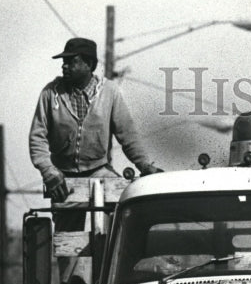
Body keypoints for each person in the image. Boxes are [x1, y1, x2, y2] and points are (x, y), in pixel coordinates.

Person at [29, 36, 160, 227]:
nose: (64, 66)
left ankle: (114, 253)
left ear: (89, 64)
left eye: (71, 62)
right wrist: (49, 173)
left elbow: (127, 135)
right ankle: (70, 255)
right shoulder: (51, 93)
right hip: (64, 177)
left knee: (122, 209)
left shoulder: (109, 92)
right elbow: (37, 138)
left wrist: (144, 165)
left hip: (99, 170)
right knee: (67, 242)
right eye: (64, 62)